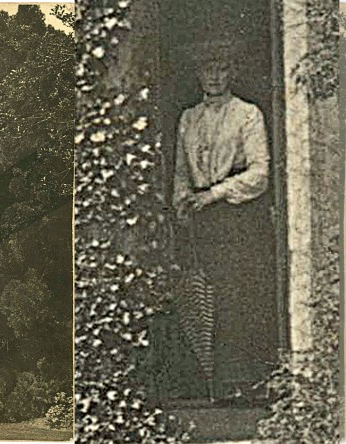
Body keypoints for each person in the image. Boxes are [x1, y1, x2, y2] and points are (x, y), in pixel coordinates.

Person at [173, 42, 273, 402]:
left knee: (234, 297)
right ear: (199, 74)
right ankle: (204, 383)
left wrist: (214, 195)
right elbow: (182, 170)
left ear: (232, 72)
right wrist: (182, 204)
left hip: (236, 214)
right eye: (207, 69)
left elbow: (260, 173)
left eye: (221, 69)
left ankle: (238, 384)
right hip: (200, 217)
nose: (214, 77)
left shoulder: (247, 114)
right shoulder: (188, 118)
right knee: (199, 296)